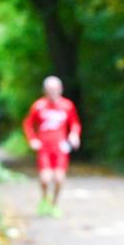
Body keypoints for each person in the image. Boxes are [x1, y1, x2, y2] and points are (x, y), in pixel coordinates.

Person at [22, 76, 82, 217]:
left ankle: (54, 205)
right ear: (44, 91)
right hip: (44, 148)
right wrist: (32, 140)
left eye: (55, 89)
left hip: (60, 148)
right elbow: (28, 124)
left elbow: (75, 123)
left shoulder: (67, 105)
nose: (53, 92)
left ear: (60, 89)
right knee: (45, 178)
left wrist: (74, 135)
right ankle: (44, 199)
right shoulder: (38, 106)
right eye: (49, 90)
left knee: (59, 178)